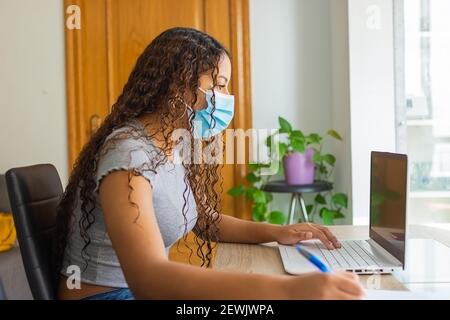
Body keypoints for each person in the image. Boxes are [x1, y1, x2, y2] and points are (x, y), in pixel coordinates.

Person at [55, 27, 364, 300]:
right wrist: (288, 291)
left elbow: (204, 221)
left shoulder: (171, 144)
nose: (226, 97)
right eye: (218, 85)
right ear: (178, 85)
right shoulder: (128, 154)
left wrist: (278, 231)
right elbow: (149, 279)